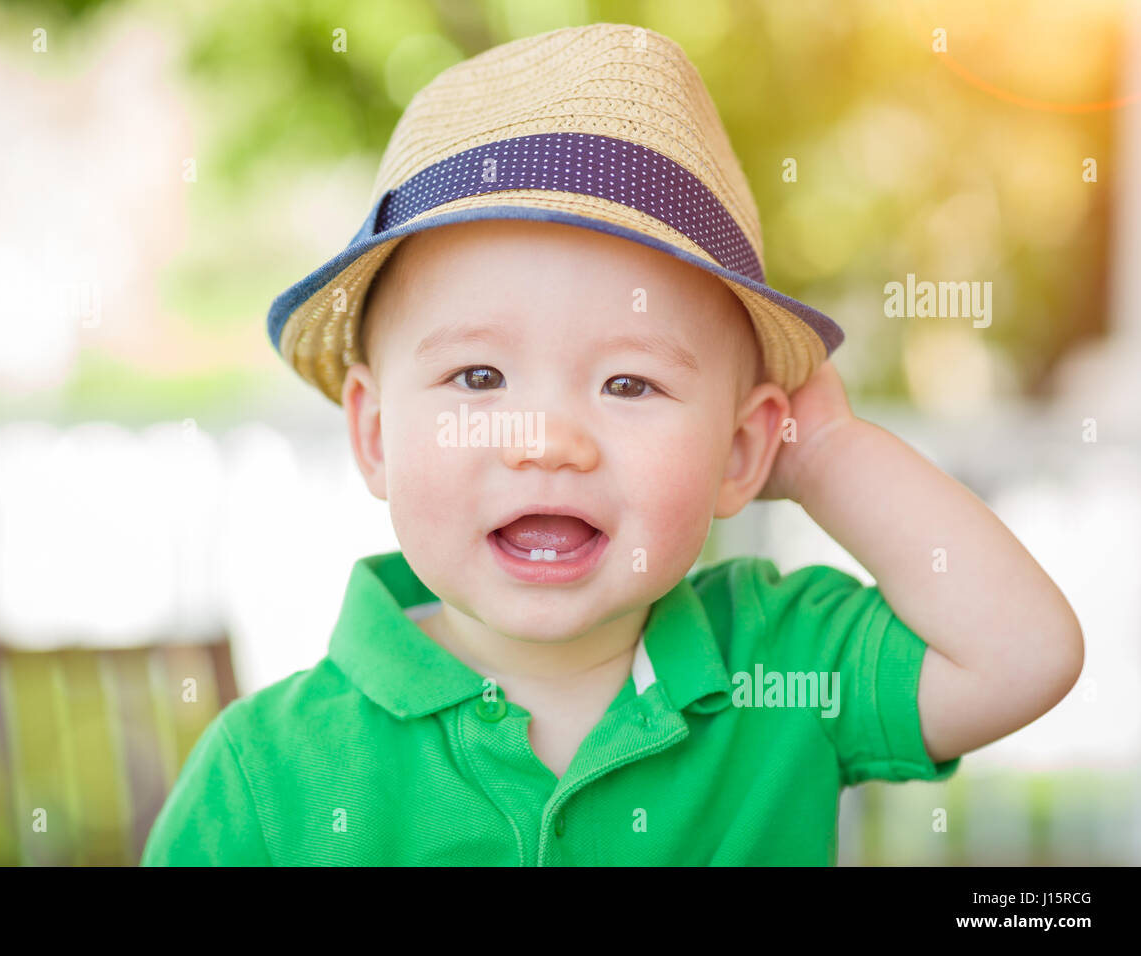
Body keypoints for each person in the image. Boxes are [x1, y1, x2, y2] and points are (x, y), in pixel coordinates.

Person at [141, 22, 1083, 866]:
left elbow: (1025, 655)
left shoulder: (781, 668)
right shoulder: (263, 781)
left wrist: (830, 450)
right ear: (378, 435)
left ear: (739, 451)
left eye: (629, 384)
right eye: (479, 378)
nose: (548, 442)